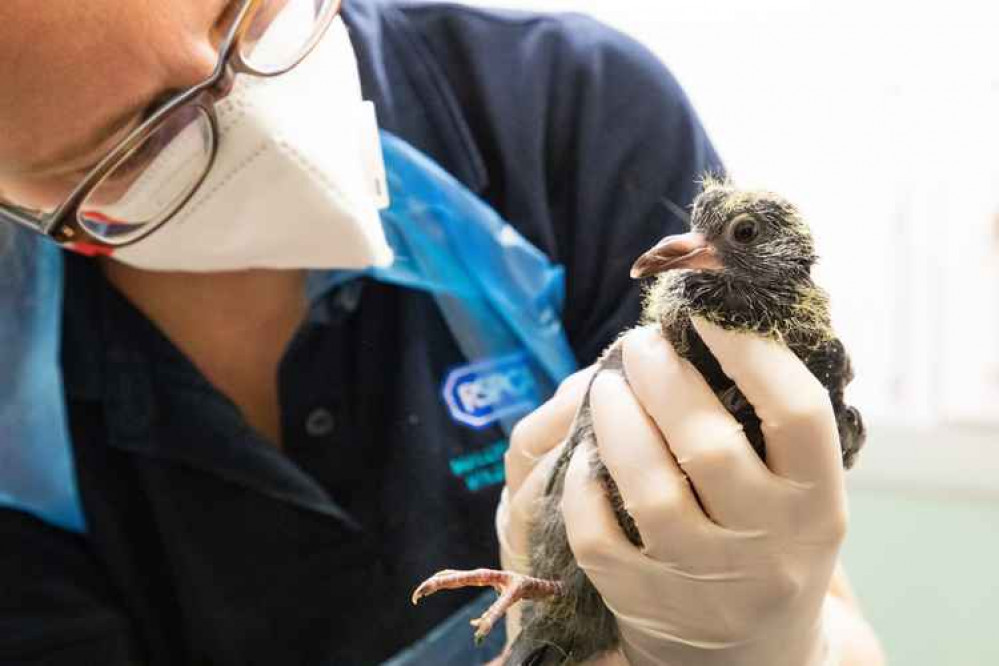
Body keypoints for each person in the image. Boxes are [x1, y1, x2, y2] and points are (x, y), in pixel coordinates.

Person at [0, 0, 884, 664]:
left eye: (256, 14)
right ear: (34, 211)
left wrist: (766, 638)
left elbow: (835, 623)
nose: (249, 108)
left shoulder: (561, 110)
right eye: (144, 141)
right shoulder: (19, 400)